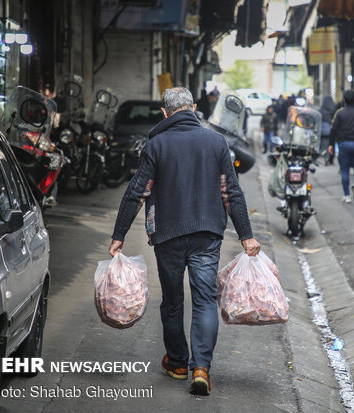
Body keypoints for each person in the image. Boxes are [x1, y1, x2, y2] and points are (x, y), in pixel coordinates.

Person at [108, 87, 260, 396]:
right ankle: (201, 367)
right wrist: (246, 235)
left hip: (168, 234)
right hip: (207, 234)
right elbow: (230, 192)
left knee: (173, 299)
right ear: (192, 108)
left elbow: (138, 191)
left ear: (164, 112)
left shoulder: (156, 144)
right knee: (204, 299)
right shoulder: (217, 142)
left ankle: (177, 362)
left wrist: (118, 235)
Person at [328, 90, 354, 203]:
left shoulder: (339, 113)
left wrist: (331, 144)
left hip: (343, 144)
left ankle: (346, 196)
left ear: (344, 100)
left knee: (344, 170)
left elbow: (333, 129)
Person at [319, 96, 337, 165]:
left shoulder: (321, 110)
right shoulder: (334, 110)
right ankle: (331, 159)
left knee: (325, 145)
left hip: (323, 131)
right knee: (332, 145)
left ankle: (326, 157)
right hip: (332, 130)